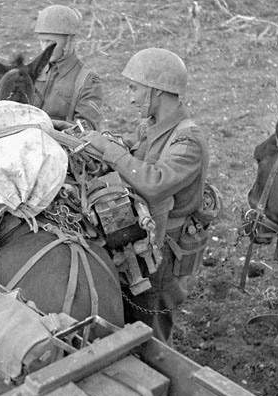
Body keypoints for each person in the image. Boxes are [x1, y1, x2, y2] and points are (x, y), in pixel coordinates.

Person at [80, 48, 209, 342]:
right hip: (146, 240)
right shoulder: (154, 128)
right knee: (134, 316)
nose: (131, 97)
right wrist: (107, 143)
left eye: (134, 88)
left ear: (157, 91)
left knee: (154, 331)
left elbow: (153, 183)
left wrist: (109, 151)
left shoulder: (188, 140)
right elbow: (137, 151)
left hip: (164, 250)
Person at [32, 4, 103, 132]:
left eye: (50, 42)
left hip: (62, 147)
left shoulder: (88, 81)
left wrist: (46, 124)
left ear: (69, 41)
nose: (44, 48)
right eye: (42, 41)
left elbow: (87, 128)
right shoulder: (32, 72)